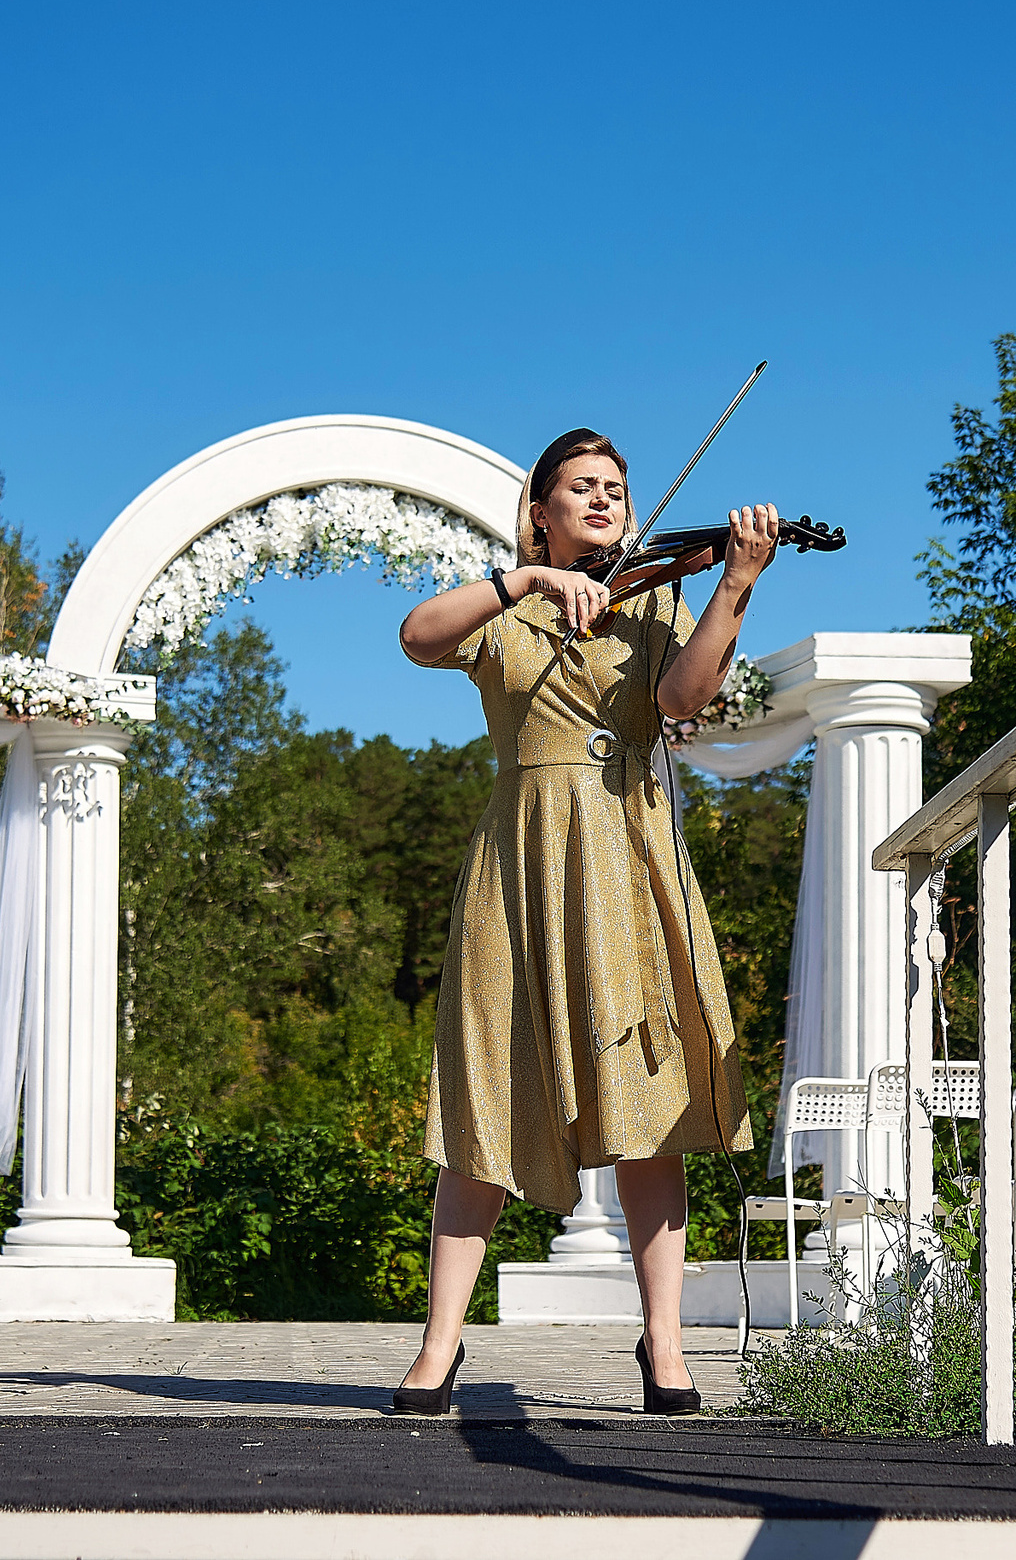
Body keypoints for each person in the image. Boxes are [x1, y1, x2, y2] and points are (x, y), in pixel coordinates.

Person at [391, 426, 779, 1415]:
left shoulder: (652, 601)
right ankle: (439, 1345)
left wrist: (734, 583)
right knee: (485, 1094)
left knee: (648, 1100)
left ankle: (664, 1344)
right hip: (518, 864)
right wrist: (523, 580)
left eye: (614, 486)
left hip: (625, 855)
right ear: (542, 511)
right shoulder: (505, 610)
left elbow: (683, 697)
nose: (604, 499)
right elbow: (418, 635)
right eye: (582, 486)